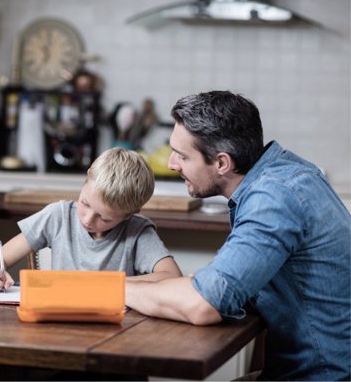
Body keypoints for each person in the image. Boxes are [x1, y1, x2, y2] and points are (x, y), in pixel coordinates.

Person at [125, 91, 351, 381]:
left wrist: (111, 290)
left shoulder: (273, 199)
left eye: (182, 155)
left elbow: (204, 304)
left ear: (222, 163)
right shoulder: (288, 173)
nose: (171, 164)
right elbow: (221, 284)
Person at [0, 147, 182, 292]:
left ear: (130, 214)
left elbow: (172, 276)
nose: (87, 219)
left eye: (104, 218)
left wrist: (104, 284)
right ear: (86, 180)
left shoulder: (136, 231)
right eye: (85, 203)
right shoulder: (58, 215)